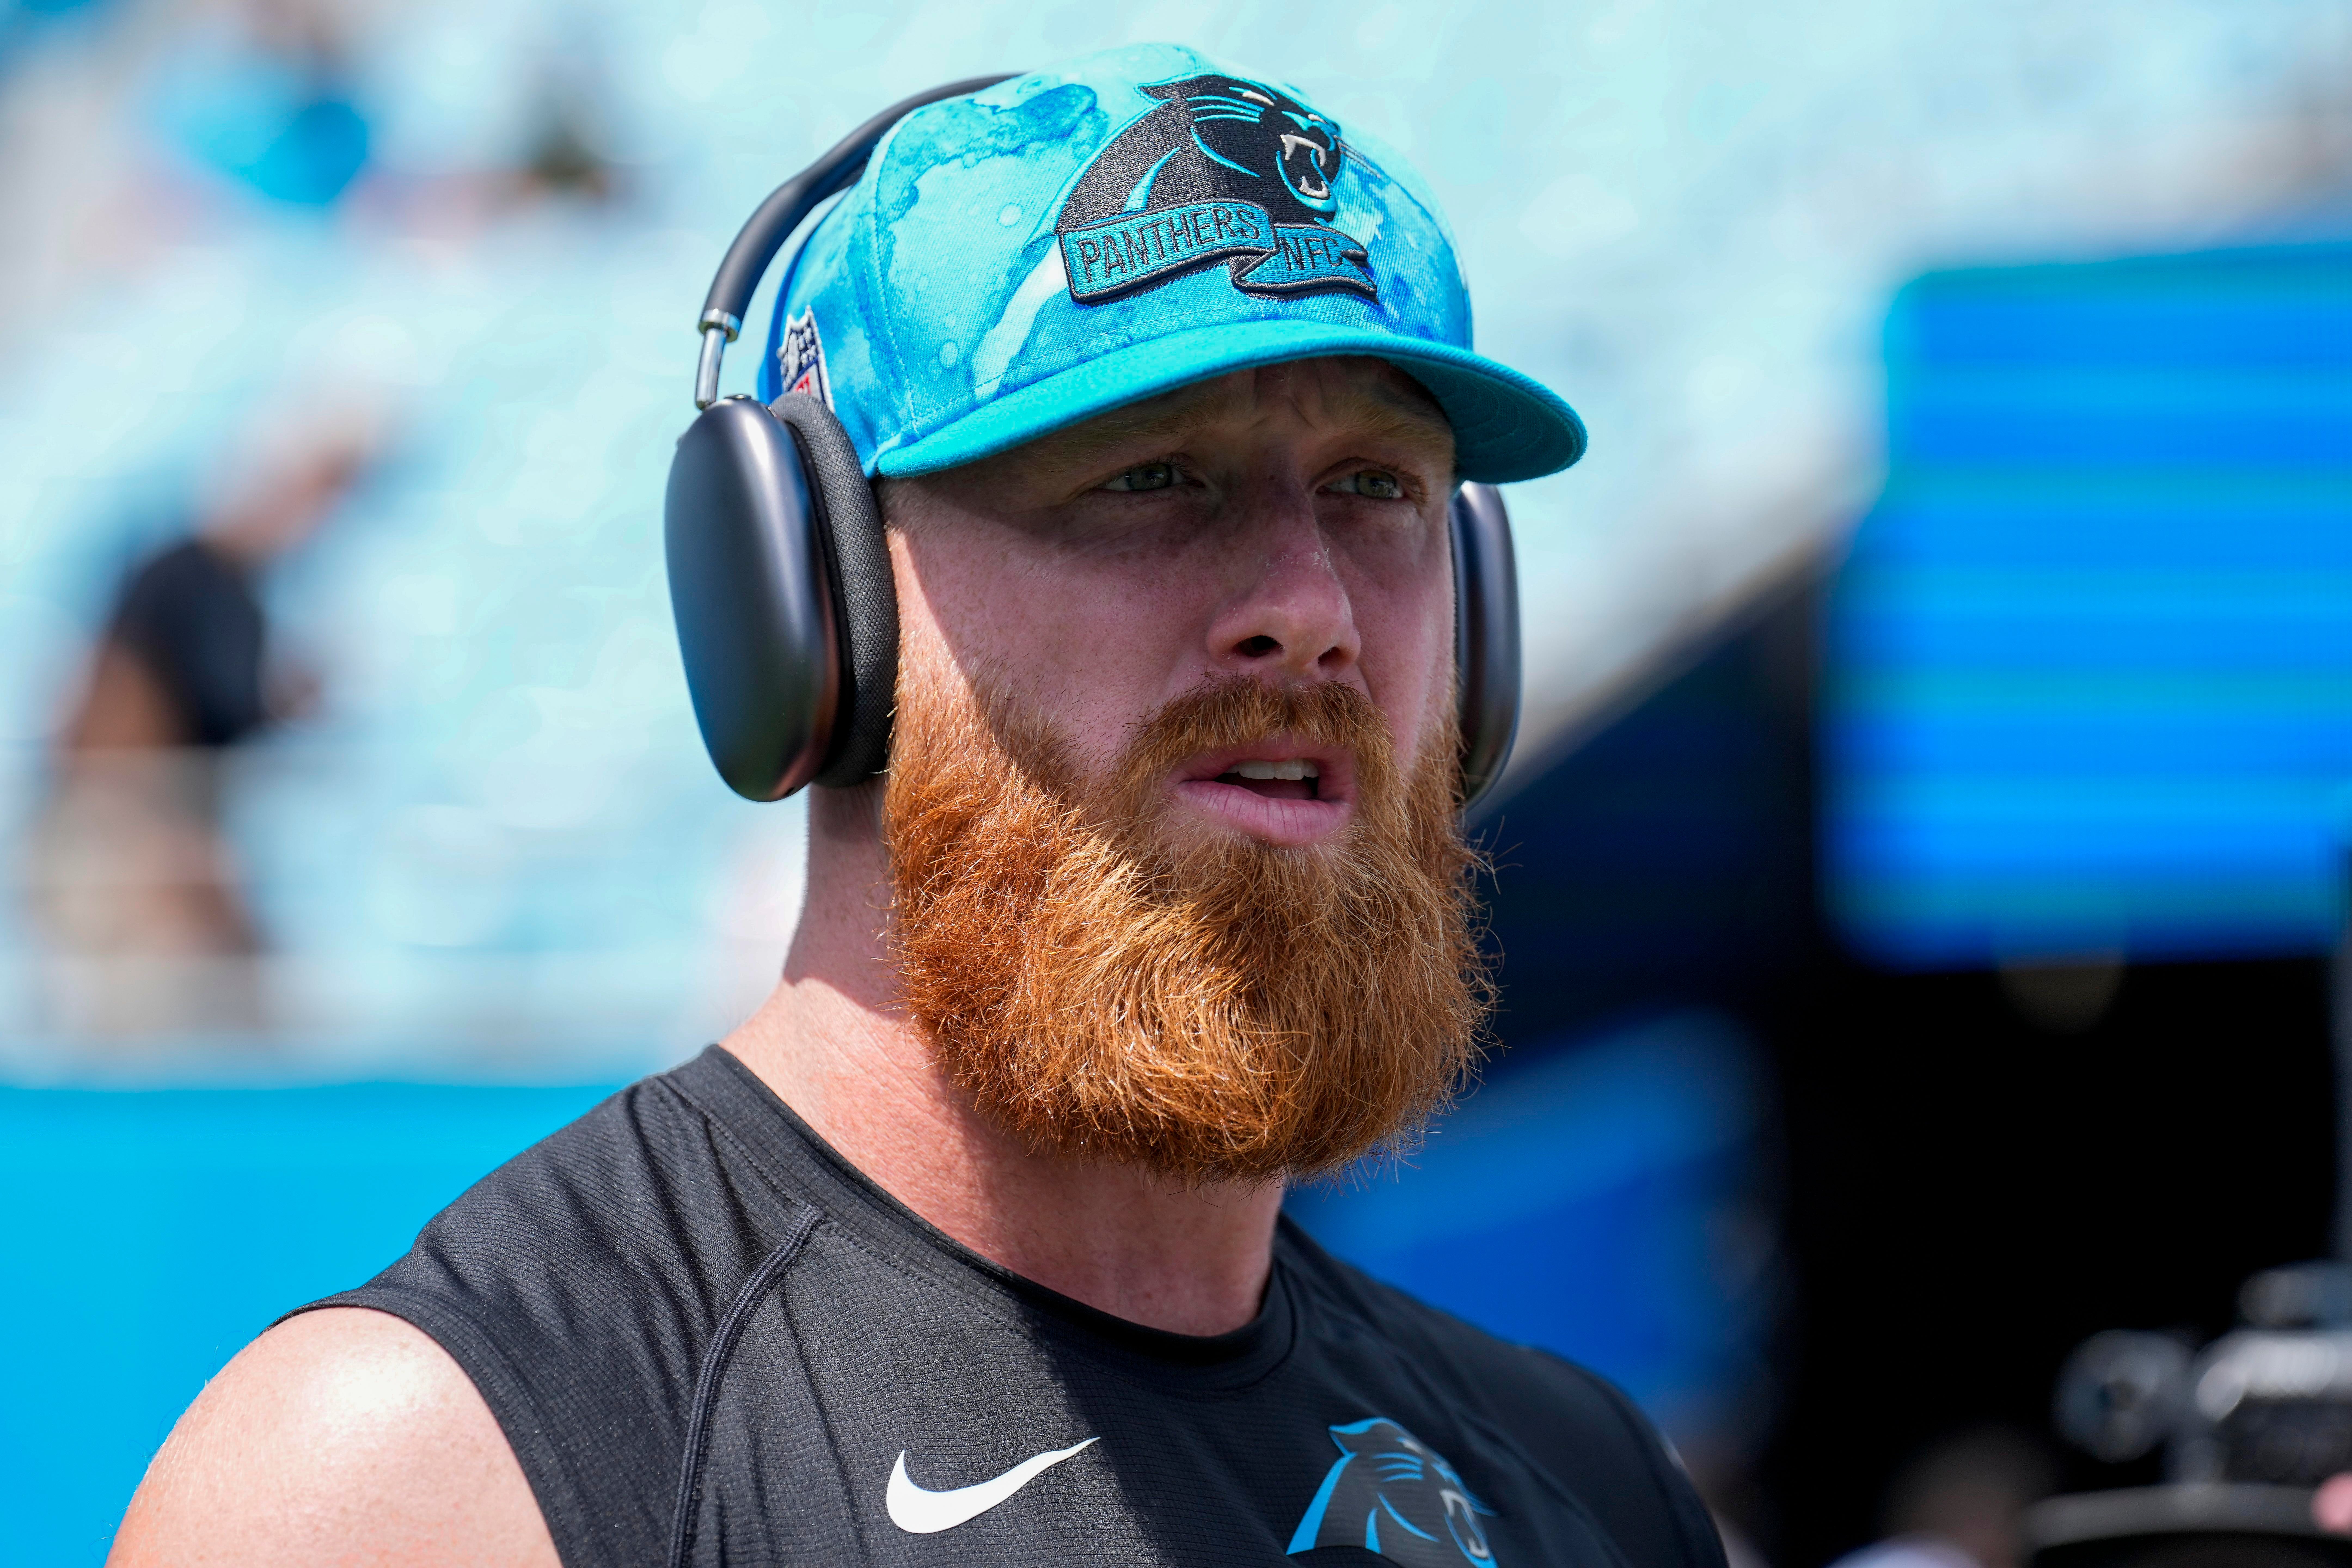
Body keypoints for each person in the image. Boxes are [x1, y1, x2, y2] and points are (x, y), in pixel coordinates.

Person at [110, 45, 1727, 1567]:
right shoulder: (433, 1477)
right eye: (1150, 475)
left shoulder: (1581, 1484)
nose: (1309, 605)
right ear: (805, 608)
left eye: (1378, 489)